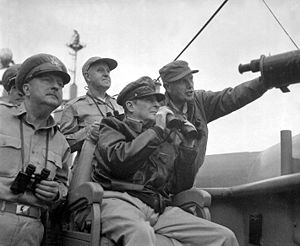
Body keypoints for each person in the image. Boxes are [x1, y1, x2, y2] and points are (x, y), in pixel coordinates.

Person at [91, 76, 239, 246]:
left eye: (158, 100)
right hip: (120, 201)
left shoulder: (163, 136)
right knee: (141, 234)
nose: (156, 104)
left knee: (224, 237)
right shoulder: (112, 126)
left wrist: (188, 147)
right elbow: (119, 160)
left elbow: (180, 186)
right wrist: (157, 130)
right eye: (149, 100)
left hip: (158, 208)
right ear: (130, 106)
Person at [0, 53, 71, 246]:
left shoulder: (61, 142)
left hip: (31, 232)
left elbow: (63, 184)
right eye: (47, 80)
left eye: (60, 84)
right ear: (26, 89)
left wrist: (56, 192)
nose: (56, 86)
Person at [159, 60, 270, 176]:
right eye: (182, 81)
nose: (189, 85)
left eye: (190, 79)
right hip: (158, 187)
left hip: (185, 183)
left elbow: (233, 97)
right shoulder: (156, 111)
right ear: (168, 87)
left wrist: (265, 82)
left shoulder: (200, 102)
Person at [60, 56, 123, 157]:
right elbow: (61, 147)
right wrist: (87, 133)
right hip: (89, 169)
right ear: (88, 76)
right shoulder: (74, 106)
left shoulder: (119, 106)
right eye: (100, 70)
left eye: (108, 71)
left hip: (118, 168)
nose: (106, 74)